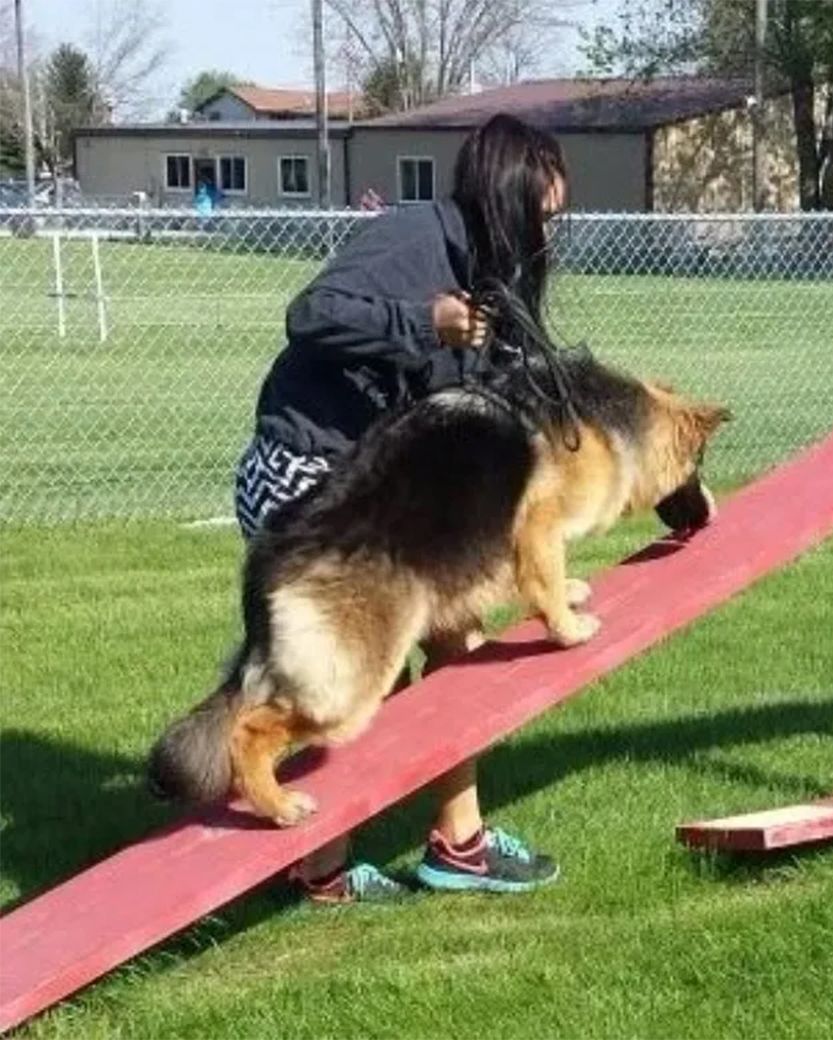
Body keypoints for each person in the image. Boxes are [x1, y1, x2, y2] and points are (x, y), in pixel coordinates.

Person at [233, 114, 570, 903]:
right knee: (360, 667)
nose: (550, 233)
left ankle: (455, 845)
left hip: (375, 489)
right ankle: (332, 864)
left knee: (454, 637)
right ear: (511, 194)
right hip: (303, 472)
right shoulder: (416, 237)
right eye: (546, 215)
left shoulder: (489, 269)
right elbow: (310, 314)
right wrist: (424, 323)